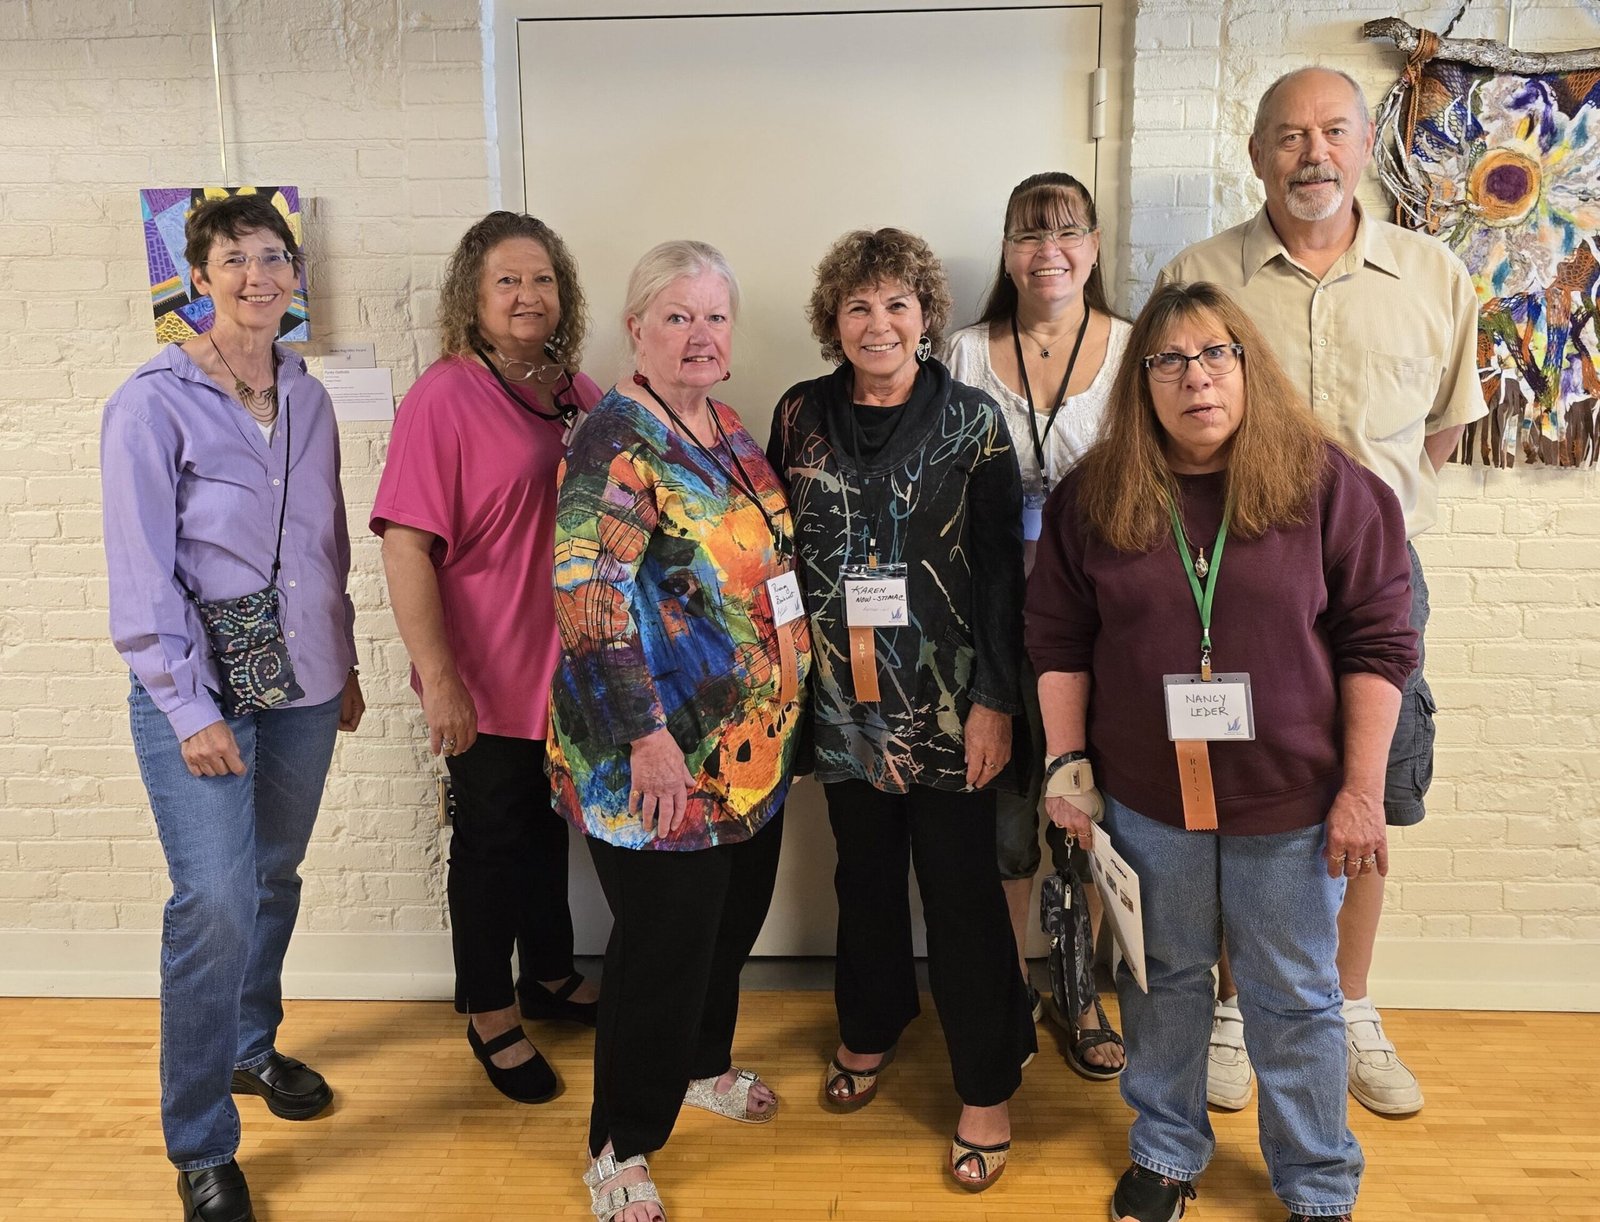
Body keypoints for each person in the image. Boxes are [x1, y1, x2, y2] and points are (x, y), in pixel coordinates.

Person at [1028, 280, 1418, 1222]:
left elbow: (1380, 648)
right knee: (1161, 983)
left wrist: (1361, 790)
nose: (1195, 379)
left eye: (1215, 356)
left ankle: (1318, 1183)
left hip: (1289, 802)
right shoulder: (1096, 495)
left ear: (1248, 366)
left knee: (1293, 999)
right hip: (1147, 800)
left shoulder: (1329, 487)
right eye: (1169, 361)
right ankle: (1165, 1149)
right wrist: (1065, 767)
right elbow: (1057, 641)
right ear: (1142, 383)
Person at [1160, 65, 1483, 1117]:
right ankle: (1229, 1007)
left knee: (1368, 788)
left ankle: (1344, 1006)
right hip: (1231, 580)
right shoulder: (1200, 274)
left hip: (1378, 582)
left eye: (1333, 130)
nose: (1313, 153)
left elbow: (1436, 433)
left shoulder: (1434, 275)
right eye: (1289, 136)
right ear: (1255, 155)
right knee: (1229, 790)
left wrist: (1358, 529)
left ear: (1361, 147)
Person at [102, 193, 365, 1222]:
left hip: (301, 683)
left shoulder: (307, 395)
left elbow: (326, 541)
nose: (258, 274)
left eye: (273, 257)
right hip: (199, 695)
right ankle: (202, 1140)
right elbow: (141, 574)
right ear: (197, 279)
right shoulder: (150, 401)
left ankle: (251, 1045)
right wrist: (187, 706)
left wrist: (340, 663)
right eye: (234, 259)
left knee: (271, 875)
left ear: (294, 275)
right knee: (210, 899)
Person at [547, 241, 810, 1222]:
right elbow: (590, 597)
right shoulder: (617, 442)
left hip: (751, 755)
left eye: (714, 318)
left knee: (724, 932)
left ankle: (701, 1065)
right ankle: (618, 1144)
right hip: (659, 758)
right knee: (661, 951)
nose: (700, 336)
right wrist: (646, 740)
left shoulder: (730, 429)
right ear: (636, 331)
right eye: (676, 317)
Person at [769, 228, 1035, 1191]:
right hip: (841, 706)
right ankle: (871, 1026)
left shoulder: (972, 421)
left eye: (896, 305)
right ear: (832, 320)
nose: (877, 324)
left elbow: (1005, 573)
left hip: (952, 704)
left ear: (926, 315)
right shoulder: (798, 414)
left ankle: (986, 1082)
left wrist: (998, 701)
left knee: (962, 896)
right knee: (864, 879)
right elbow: (775, 558)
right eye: (857, 306)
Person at [372, 212, 604, 1104]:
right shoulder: (445, 396)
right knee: (489, 842)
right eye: (507, 281)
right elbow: (404, 547)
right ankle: (489, 1011)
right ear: (473, 294)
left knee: (547, 830)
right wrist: (441, 682)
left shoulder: (575, 389)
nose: (527, 296)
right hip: (485, 673)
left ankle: (548, 975)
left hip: (568, 674)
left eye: (541, 279)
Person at [941, 171, 1129, 1078]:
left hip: (1109, 627)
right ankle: (1007, 978)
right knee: (1009, 818)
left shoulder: (1137, 350)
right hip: (996, 624)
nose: (1047, 250)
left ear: (1093, 246)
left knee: (1093, 811)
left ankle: (1080, 979)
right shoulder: (964, 353)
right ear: (1007, 251)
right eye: (1027, 233)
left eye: (1067, 231)